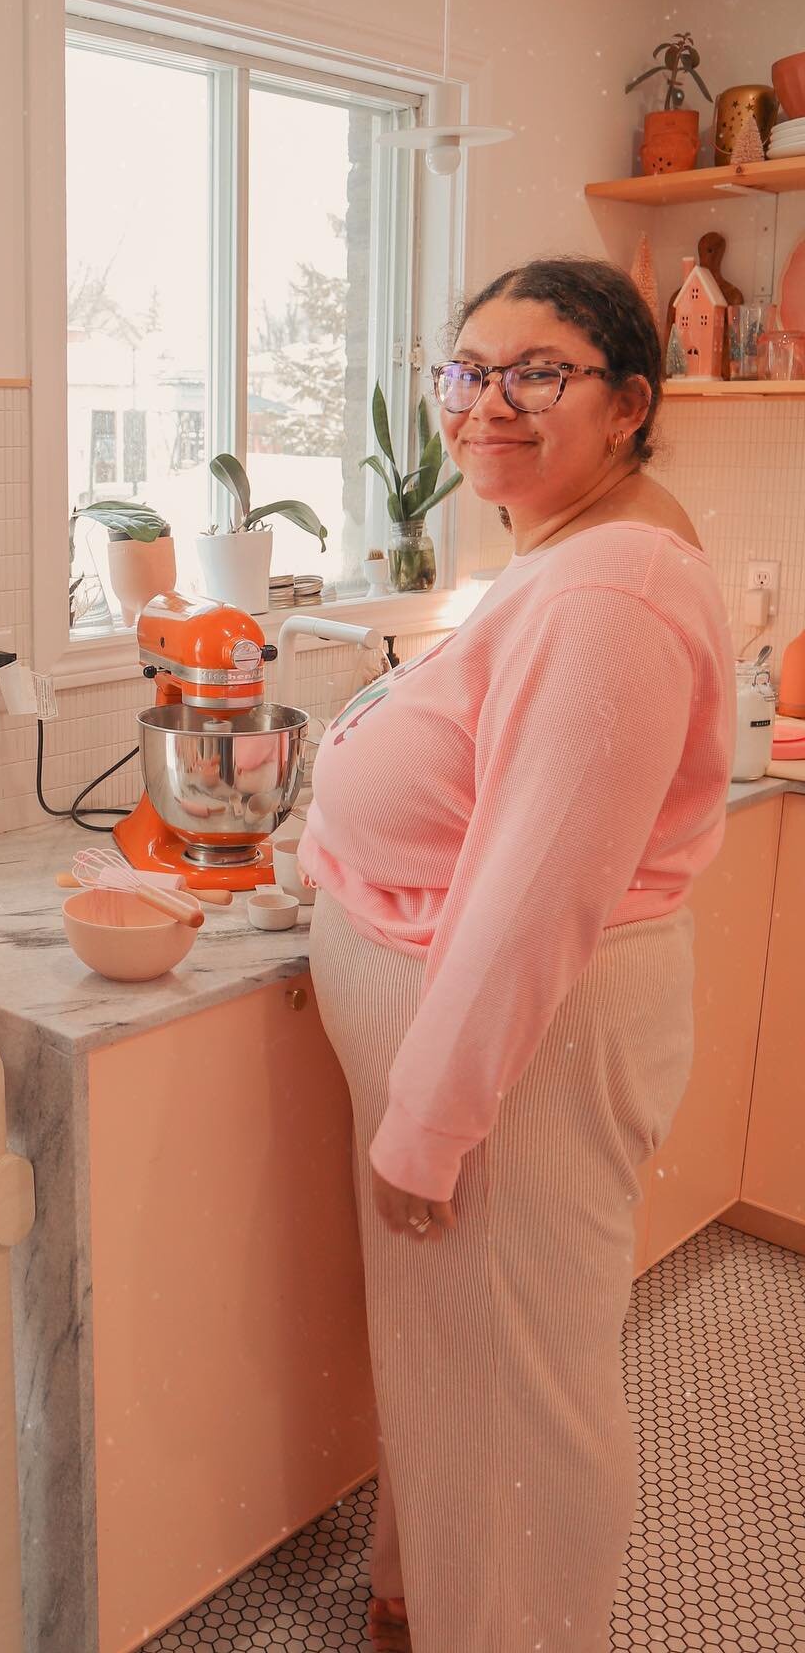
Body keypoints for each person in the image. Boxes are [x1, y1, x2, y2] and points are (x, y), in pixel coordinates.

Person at [297, 257, 734, 1651]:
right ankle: (436, 1598)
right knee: (460, 1362)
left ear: (630, 405)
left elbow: (540, 891)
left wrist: (427, 1128)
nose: (488, 404)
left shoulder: (610, 592)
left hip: (508, 1060)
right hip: (482, 1041)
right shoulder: (566, 544)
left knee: (523, 1390)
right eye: (468, 372)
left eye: (538, 372)